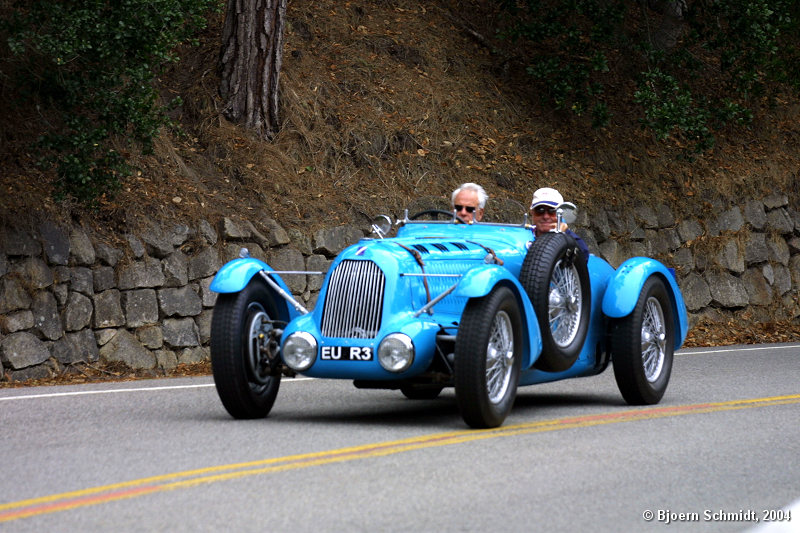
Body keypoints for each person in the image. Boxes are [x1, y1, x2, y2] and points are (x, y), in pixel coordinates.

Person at [529, 187, 589, 261]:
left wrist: (562, 235)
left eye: (552, 211)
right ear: (532, 212)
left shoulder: (567, 236)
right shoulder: (525, 233)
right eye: (540, 210)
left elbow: (583, 256)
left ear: (561, 213)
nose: (545, 216)